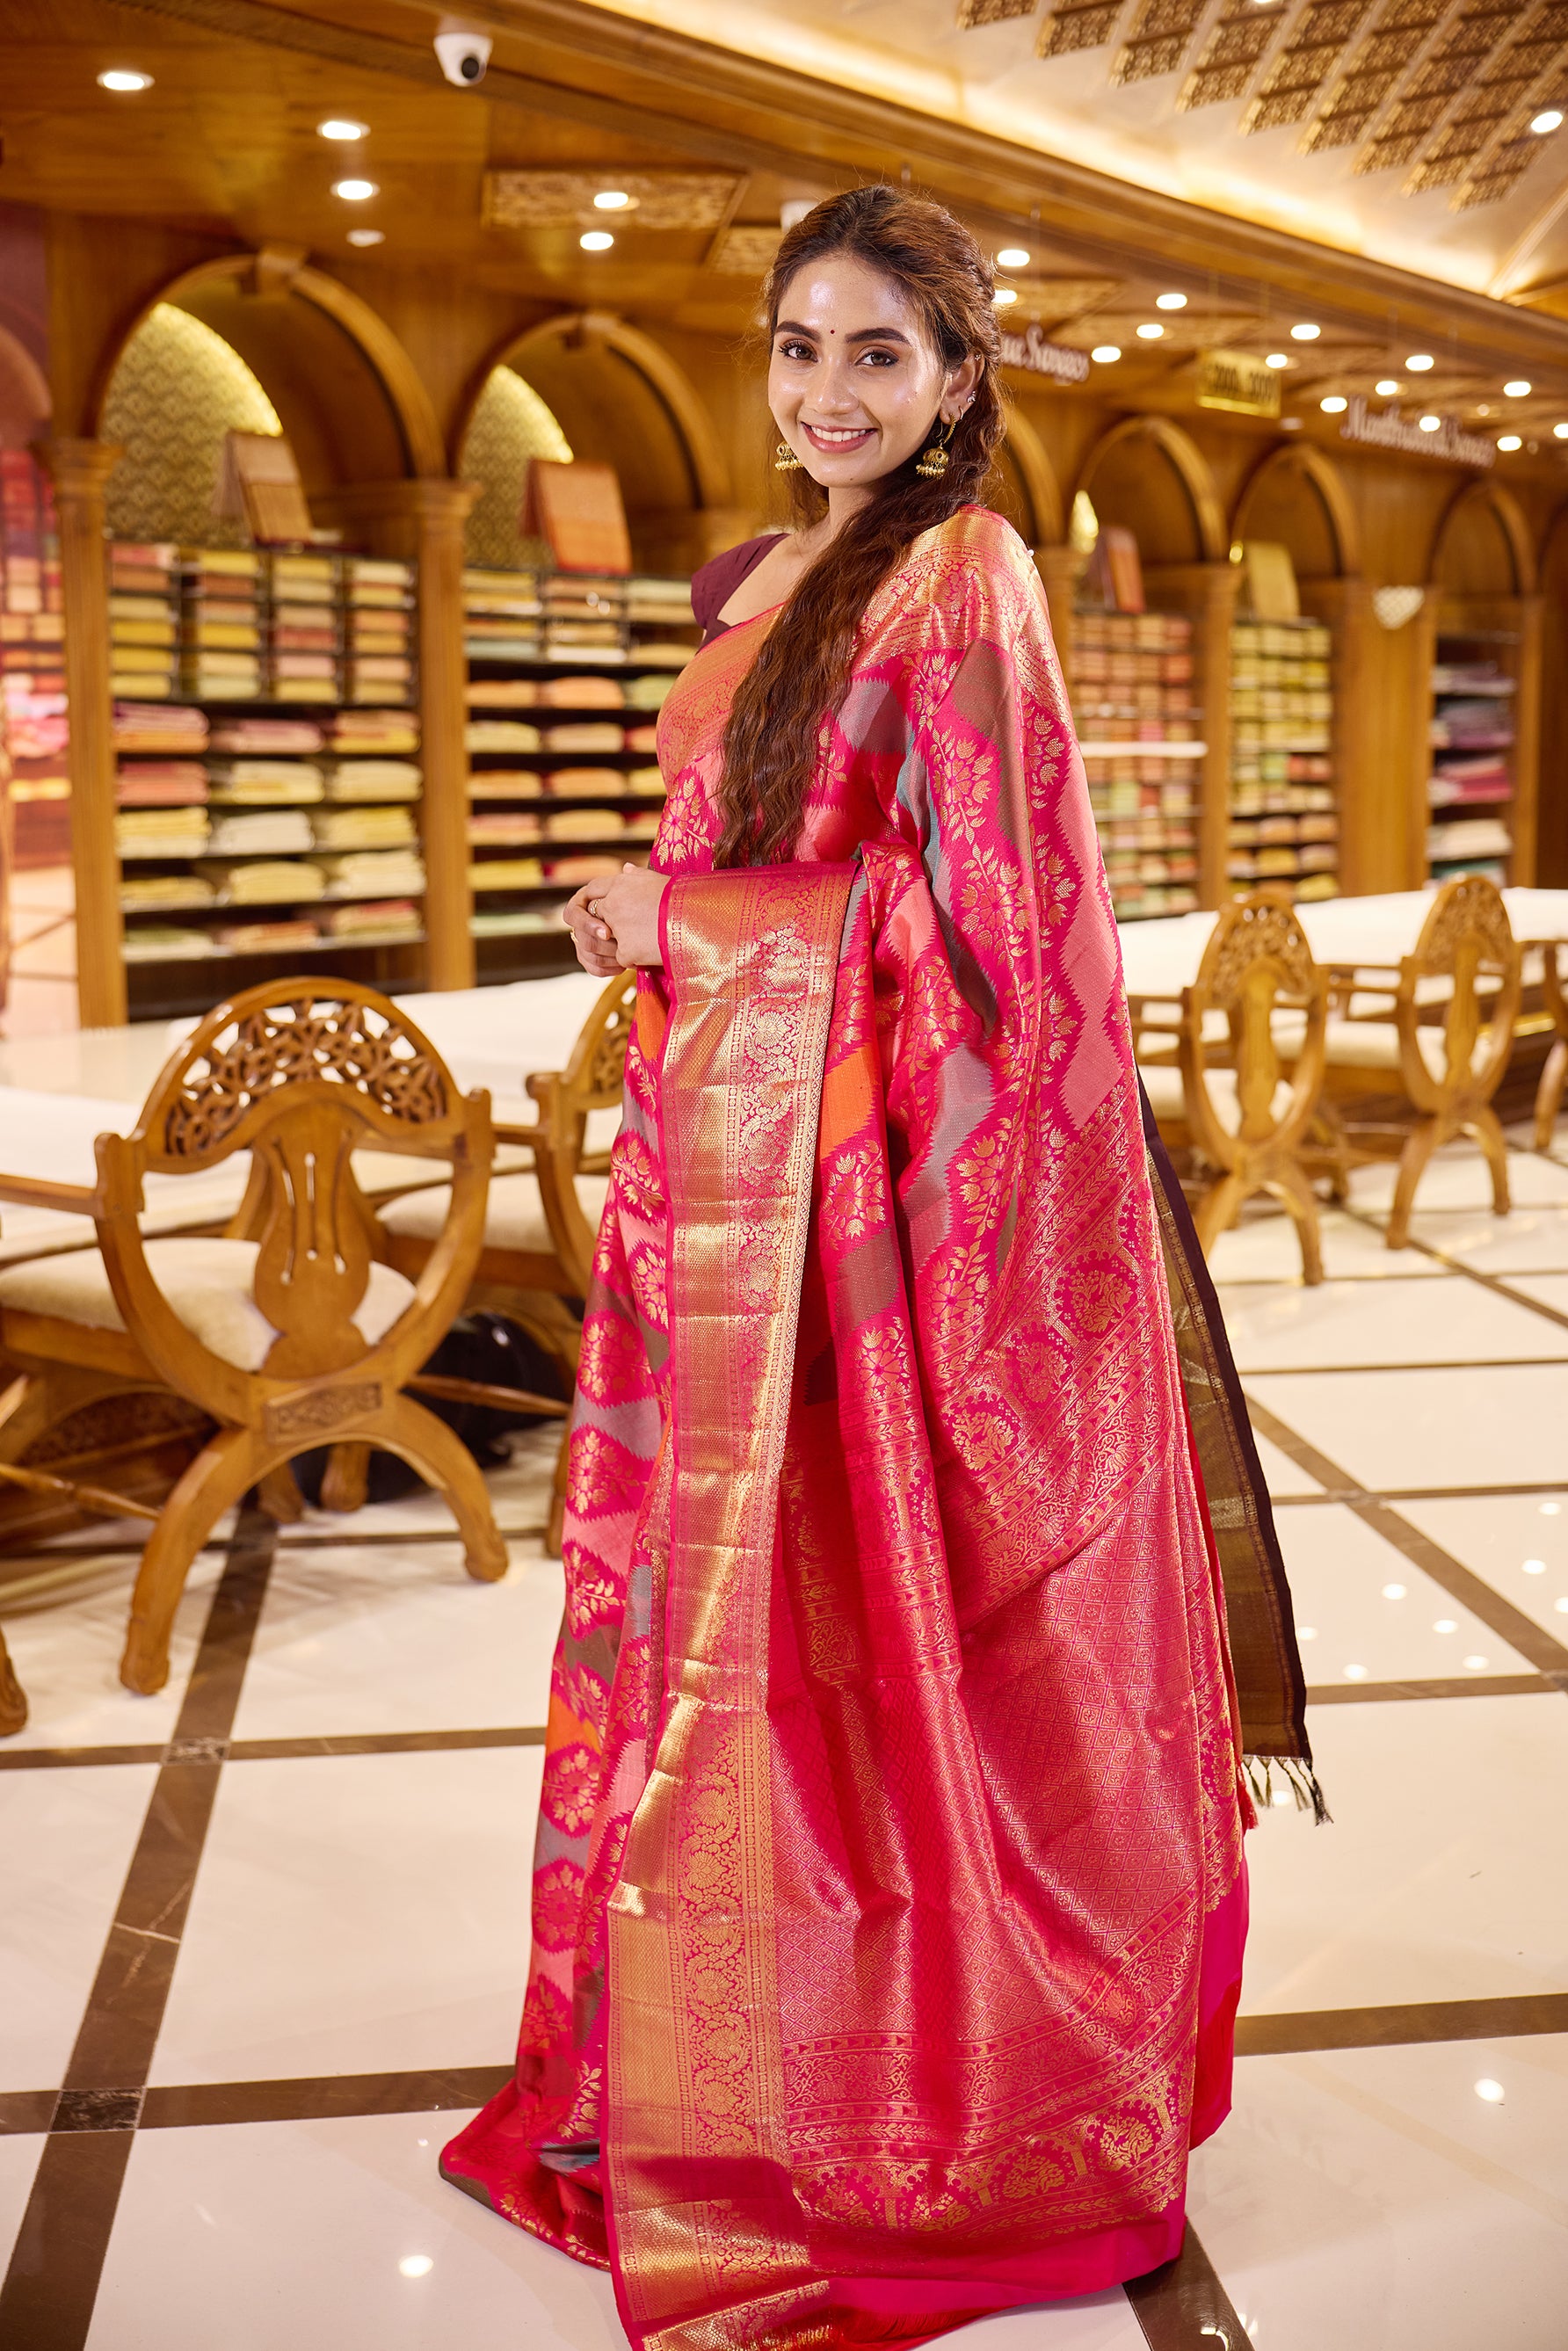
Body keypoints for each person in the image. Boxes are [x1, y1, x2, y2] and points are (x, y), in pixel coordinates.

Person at [443, 184, 1316, 2350]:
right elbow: (773, 847)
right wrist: (659, 918)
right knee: (715, 1636)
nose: (827, 392)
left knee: (870, 1637)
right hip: (719, 1190)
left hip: (868, 1226)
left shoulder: (964, 573)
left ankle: (924, 2107)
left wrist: (686, 926)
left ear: (954, 377)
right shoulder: (762, 577)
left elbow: (1000, 933)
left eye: (876, 354)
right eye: (797, 344)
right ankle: (706, 2058)